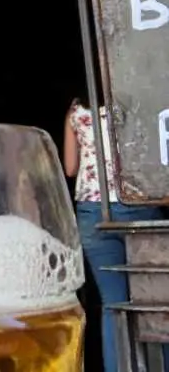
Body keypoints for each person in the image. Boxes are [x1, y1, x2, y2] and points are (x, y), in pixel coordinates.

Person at [64, 98, 164, 372]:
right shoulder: (133, 98)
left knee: (113, 305)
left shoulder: (75, 110)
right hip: (134, 202)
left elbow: (70, 168)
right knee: (155, 300)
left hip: (91, 210)